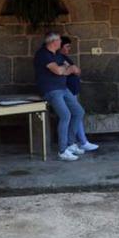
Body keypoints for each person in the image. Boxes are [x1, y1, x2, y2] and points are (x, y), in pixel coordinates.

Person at [34, 32, 92, 161]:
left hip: (63, 88)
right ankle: (62, 150)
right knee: (65, 115)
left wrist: (66, 69)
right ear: (53, 42)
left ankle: (71, 144)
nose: (60, 43)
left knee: (78, 112)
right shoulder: (43, 54)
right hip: (51, 90)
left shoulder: (58, 55)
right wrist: (67, 70)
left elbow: (74, 69)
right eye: (59, 40)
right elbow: (58, 70)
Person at [58, 36, 99, 154]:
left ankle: (79, 142)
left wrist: (72, 69)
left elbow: (77, 70)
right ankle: (81, 142)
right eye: (67, 46)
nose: (69, 48)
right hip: (68, 91)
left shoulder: (65, 58)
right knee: (75, 115)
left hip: (72, 91)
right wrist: (71, 69)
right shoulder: (59, 58)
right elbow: (70, 70)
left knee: (77, 114)